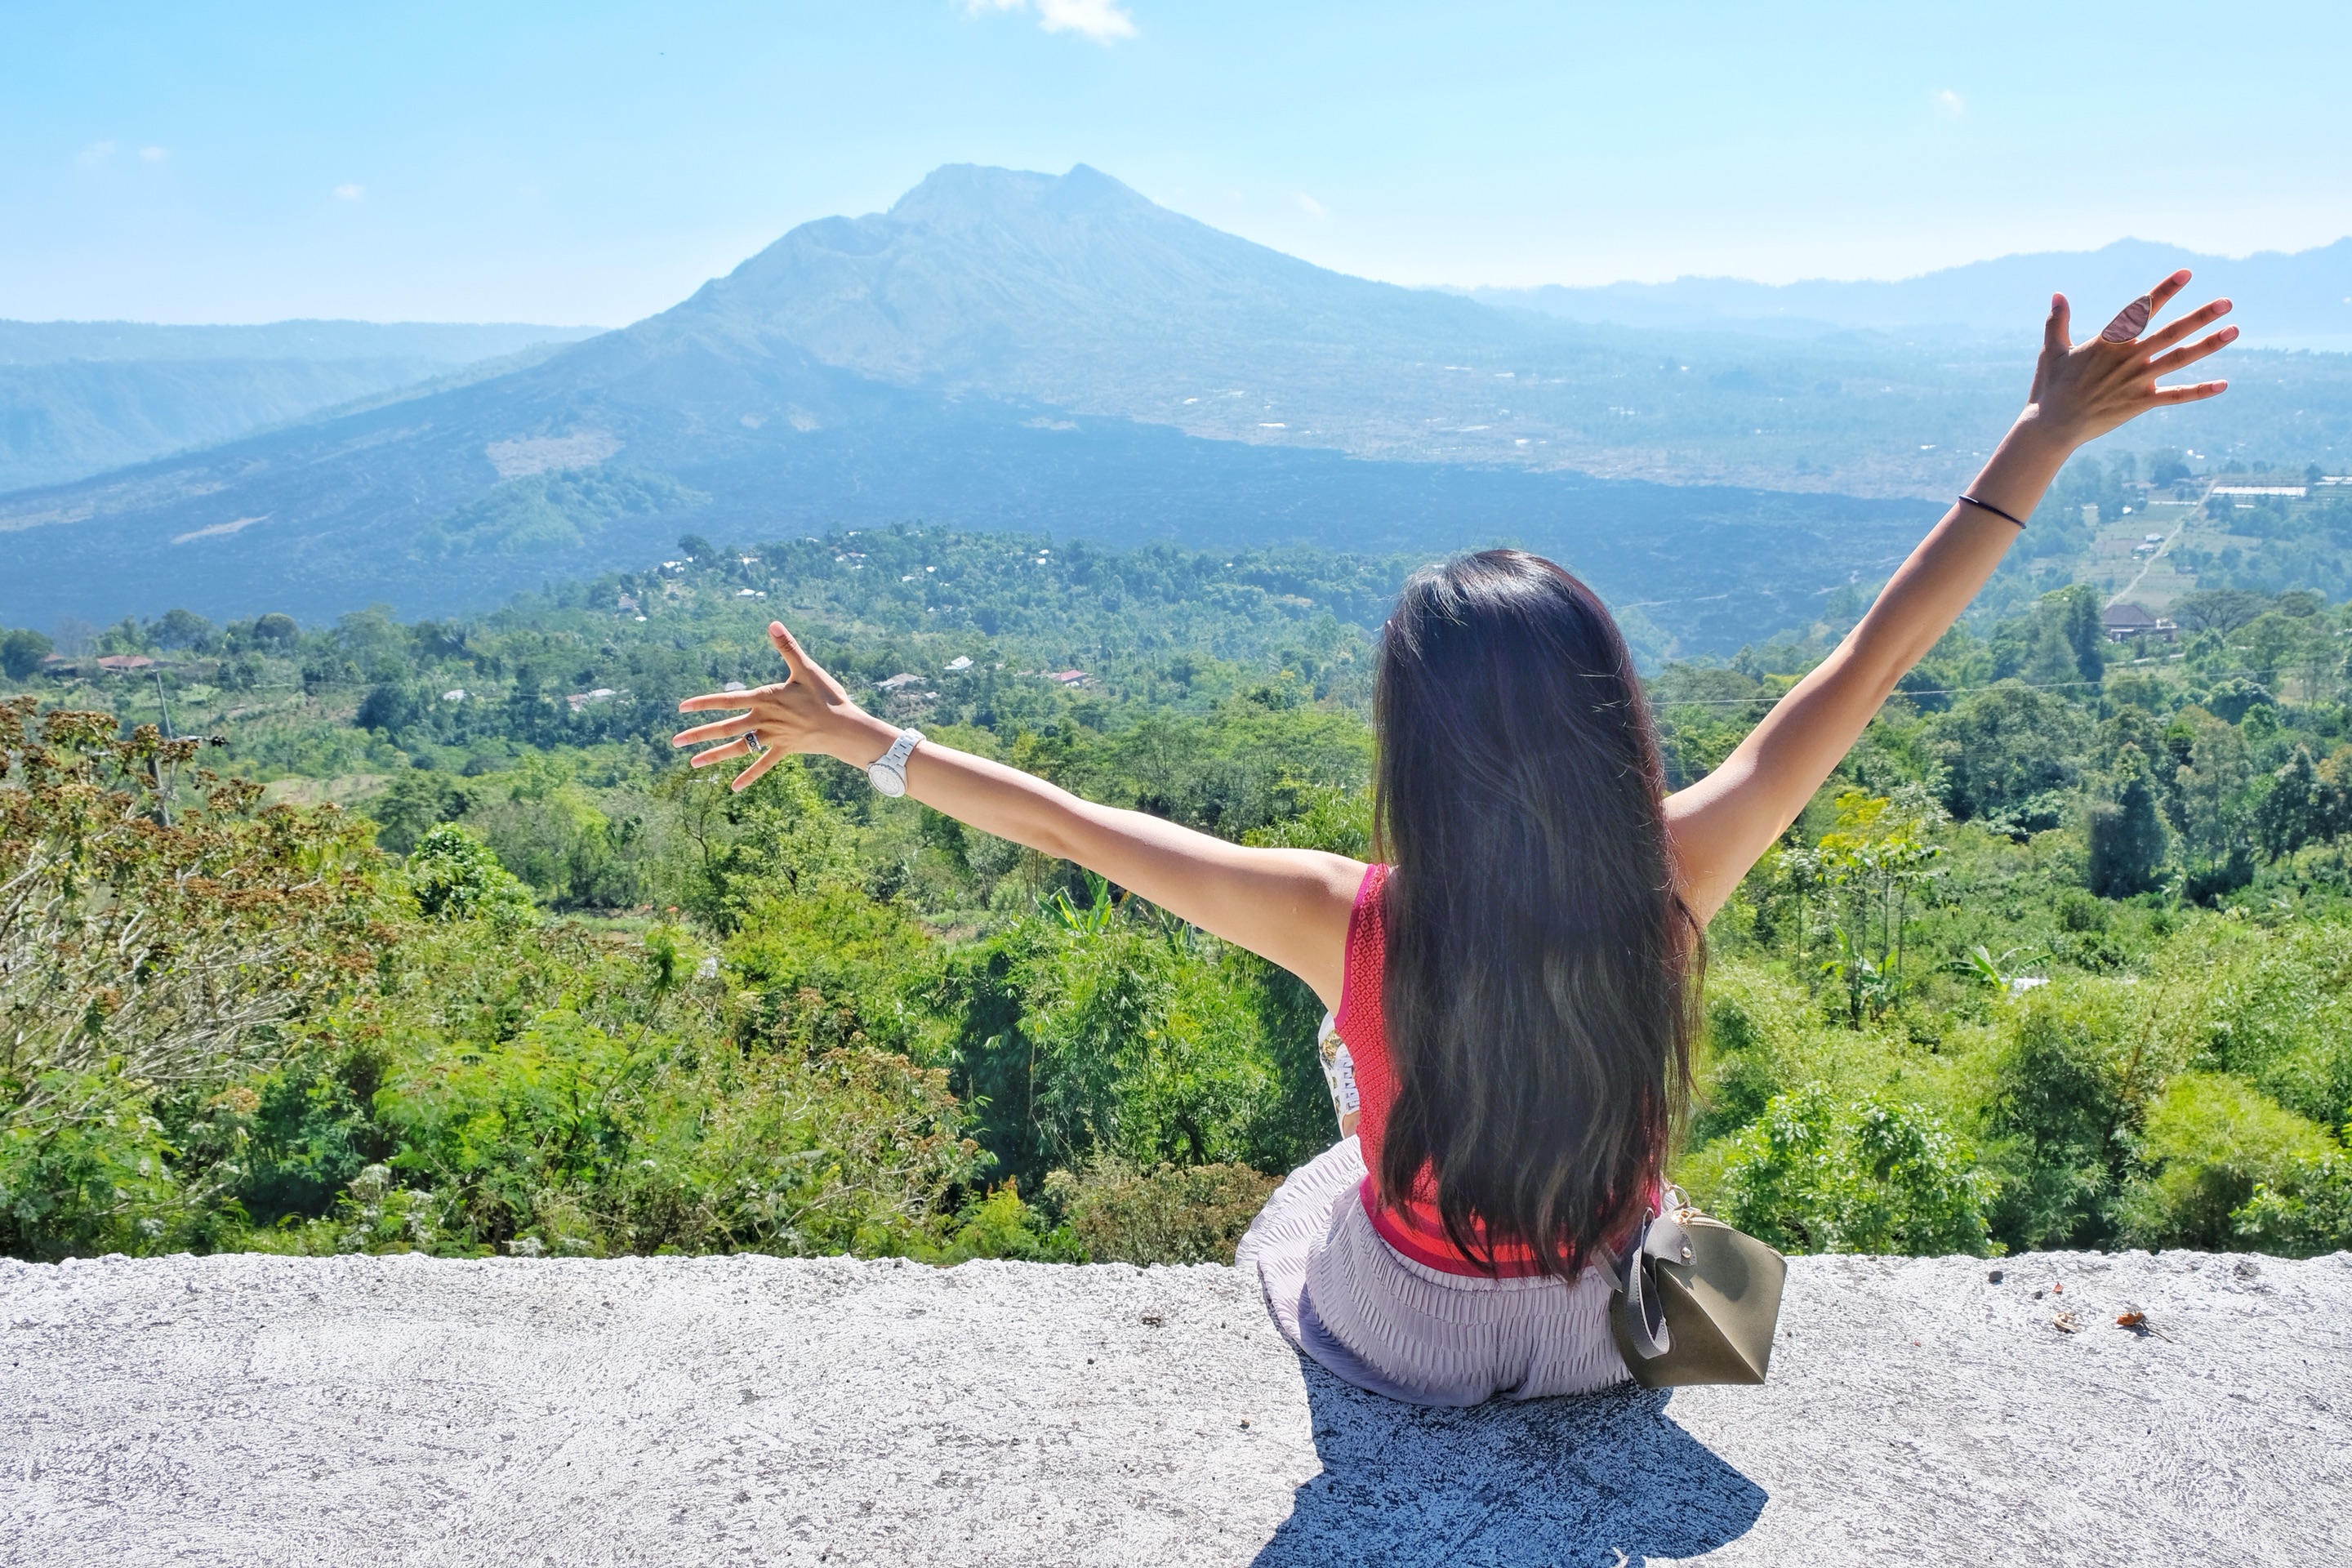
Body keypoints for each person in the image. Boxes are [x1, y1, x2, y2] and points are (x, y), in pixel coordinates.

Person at [673, 276, 2234, 1405]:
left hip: (1410, 1330)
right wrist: (2041, 438)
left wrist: (866, 740)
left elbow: (1074, 828)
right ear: (1605, 716)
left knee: (1316, 1193)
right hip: (1598, 1336)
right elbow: (1868, 665)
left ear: (1413, 751)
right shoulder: (1679, 869)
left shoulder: (1344, 918)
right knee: (1648, 1196)